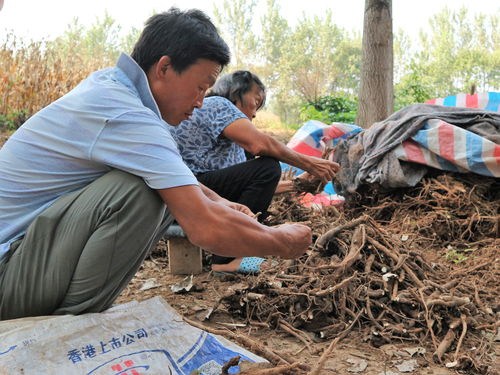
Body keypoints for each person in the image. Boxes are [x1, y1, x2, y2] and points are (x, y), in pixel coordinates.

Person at [0, 8, 312, 320]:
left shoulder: (110, 89)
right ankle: (70, 325)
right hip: (8, 279)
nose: (201, 101)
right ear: (164, 67)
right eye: (201, 87)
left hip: (20, 262)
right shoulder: (128, 115)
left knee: (156, 182)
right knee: (146, 190)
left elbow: (172, 172)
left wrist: (222, 202)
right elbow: (205, 228)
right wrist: (282, 241)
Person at [169, 70, 340, 274]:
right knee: (267, 166)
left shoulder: (232, 146)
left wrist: (300, 184)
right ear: (235, 93)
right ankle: (227, 258)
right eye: (255, 101)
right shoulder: (217, 104)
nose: (255, 112)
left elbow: (254, 188)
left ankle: (239, 250)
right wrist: (310, 164)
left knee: (263, 170)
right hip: (183, 193)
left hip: (195, 193)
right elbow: (260, 145)